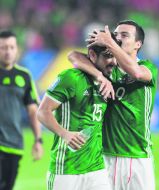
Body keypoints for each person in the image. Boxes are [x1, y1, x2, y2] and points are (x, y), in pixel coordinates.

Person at [68, 20, 158, 190]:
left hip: (137, 156)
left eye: (124, 35)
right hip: (105, 156)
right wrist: (99, 76)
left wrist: (109, 41)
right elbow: (73, 55)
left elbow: (137, 73)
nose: (117, 38)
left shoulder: (147, 67)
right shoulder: (108, 69)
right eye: (115, 34)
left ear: (138, 44)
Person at [37, 33, 120, 190]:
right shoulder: (71, 78)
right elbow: (42, 112)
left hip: (97, 168)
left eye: (114, 56)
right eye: (108, 56)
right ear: (92, 55)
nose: (113, 62)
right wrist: (65, 134)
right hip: (66, 169)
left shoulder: (112, 78)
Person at [0, 30, 43, 190]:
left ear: (16, 49)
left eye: (11, 47)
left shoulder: (24, 76)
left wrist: (38, 140)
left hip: (14, 144)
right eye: (3, 47)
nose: (8, 52)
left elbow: (32, 111)